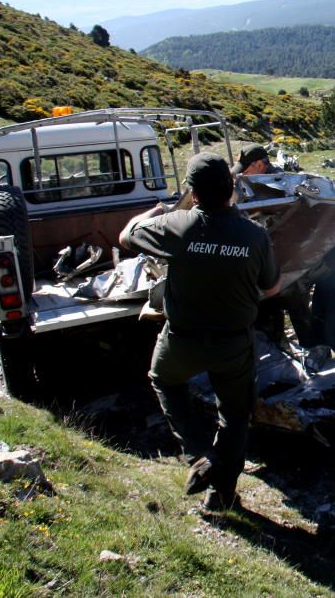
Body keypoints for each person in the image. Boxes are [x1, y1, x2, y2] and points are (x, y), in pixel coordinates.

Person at [119, 153, 280, 512]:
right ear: (231, 188)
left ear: (193, 194)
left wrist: (154, 212)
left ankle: (197, 454)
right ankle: (220, 494)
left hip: (183, 339)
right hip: (235, 343)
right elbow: (271, 287)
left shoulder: (176, 227)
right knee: (236, 416)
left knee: (164, 379)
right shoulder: (255, 235)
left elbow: (125, 237)